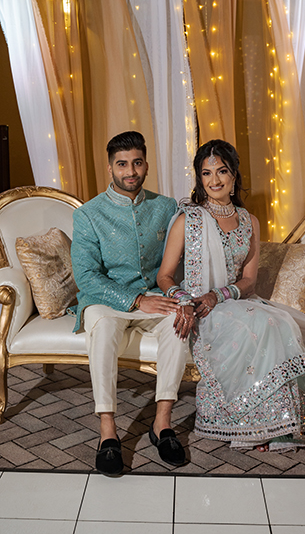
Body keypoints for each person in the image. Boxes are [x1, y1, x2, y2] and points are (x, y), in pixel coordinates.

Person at [157, 139, 305, 452]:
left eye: (221, 171)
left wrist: (218, 295)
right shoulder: (187, 220)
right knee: (267, 325)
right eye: (206, 173)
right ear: (199, 179)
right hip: (200, 310)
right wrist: (186, 302)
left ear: (234, 177)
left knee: (283, 324)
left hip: (232, 301)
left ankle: (282, 424)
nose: (214, 180)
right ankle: (251, 424)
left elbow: (249, 280)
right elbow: (163, 276)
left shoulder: (249, 222)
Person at [71, 131, 190, 476]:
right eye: (122, 164)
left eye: (137, 163)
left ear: (146, 165)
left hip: (156, 296)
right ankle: (108, 432)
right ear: (110, 168)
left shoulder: (166, 208)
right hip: (104, 300)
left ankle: (162, 424)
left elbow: (179, 261)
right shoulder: (89, 215)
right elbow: (87, 277)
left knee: (177, 324)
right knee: (105, 325)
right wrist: (134, 299)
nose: (130, 171)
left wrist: (178, 298)